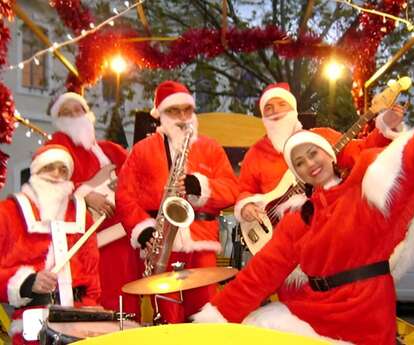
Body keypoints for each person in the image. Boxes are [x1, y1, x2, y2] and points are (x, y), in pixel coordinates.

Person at [192, 76, 414, 343]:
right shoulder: (300, 219)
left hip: (364, 313)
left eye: (313, 153)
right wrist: (216, 315)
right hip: (313, 312)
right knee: (259, 327)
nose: (310, 164)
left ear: (330, 155)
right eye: (299, 163)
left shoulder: (366, 190)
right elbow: (261, 272)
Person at [235, 82, 405, 299]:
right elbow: (244, 190)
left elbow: (361, 150)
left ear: (293, 109)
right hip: (280, 249)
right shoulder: (255, 154)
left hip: (326, 243)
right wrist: (247, 205)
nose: (276, 111)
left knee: (332, 306)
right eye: (269, 108)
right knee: (291, 312)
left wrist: (385, 126)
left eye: (281, 104)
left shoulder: (322, 137)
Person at [116, 80, 239, 324]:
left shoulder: (211, 148)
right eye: (174, 111)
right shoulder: (142, 150)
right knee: (166, 318)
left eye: (187, 110)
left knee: (204, 315)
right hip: (161, 242)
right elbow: (124, 195)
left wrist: (201, 187)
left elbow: (232, 190)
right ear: (160, 114)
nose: (182, 117)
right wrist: (142, 229)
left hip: (202, 241)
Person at [46, 93, 140, 316]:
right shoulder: (58, 146)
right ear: (58, 120)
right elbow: (48, 182)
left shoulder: (110, 150)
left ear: (88, 114)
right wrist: (84, 194)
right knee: (96, 305)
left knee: (126, 303)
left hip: (121, 240)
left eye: (78, 110)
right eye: (66, 113)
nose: (73, 116)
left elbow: (138, 174)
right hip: (87, 243)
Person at [0, 145, 101, 345]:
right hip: (33, 325)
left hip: (78, 322)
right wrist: (27, 282)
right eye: (49, 167)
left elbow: (92, 273)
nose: (56, 174)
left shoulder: (81, 217)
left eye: (63, 170)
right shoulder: (8, 212)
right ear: (36, 171)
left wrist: (92, 307)